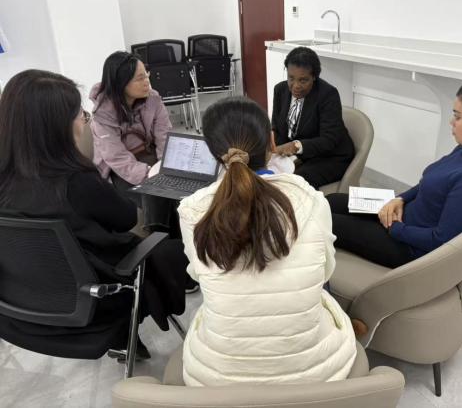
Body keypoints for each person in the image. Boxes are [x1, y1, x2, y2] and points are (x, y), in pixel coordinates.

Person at [0, 70, 187, 357]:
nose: (84, 122)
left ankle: (128, 342)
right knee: (171, 249)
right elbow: (127, 219)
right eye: (80, 115)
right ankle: (131, 333)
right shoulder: (75, 182)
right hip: (95, 304)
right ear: (59, 128)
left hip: (20, 306)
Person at [178, 97, 356, 386]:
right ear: (272, 143)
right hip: (316, 372)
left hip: (218, 380)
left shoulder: (192, 210)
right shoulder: (311, 199)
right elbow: (325, 271)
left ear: (213, 153)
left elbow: (199, 275)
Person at [327, 75, 462, 268]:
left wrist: (393, 226)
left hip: (410, 246)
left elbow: (441, 240)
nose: (451, 122)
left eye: (457, 116)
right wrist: (399, 199)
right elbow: (430, 182)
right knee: (331, 201)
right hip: (406, 214)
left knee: (322, 221)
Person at [90, 51, 176, 234]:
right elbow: (117, 158)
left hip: (151, 155)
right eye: (140, 78)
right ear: (121, 82)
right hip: (121, 169)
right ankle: (160, 239)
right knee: (155, 193)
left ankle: (181, 238)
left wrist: (166, 165)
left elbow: (164, 134)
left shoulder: (153, 98)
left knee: (180, 189)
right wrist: (151, 175)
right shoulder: (102, 114)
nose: (147, 82)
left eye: (146, 74)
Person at [272, 47, 354, 189]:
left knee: (294, 182)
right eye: (291, 78)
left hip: (331, 157)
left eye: (303, 80)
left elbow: (329, 140)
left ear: (314, 77)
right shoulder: (280, 90)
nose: (296, 86)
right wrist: (271, 148)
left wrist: (295, 146)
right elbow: (277, 127)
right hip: (303, 156)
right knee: (268, 173)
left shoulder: (328, 94)